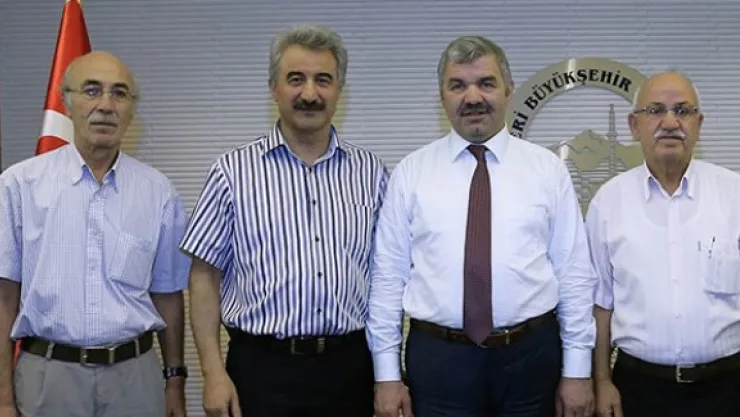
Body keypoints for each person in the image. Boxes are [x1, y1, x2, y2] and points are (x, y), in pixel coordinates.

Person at [368, 35, 596, 417]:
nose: (472, 97)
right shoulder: (411, 173)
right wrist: (386, 376)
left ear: (508, 89)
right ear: (442, 96)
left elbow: (573, 274)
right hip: (439, 362)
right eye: (458, 85)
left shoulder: (547, 170)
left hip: (531, 359)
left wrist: (577, 370)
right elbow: (388, 278)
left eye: (486, 83)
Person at [180, 24, 387, 417]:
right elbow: (203, 278)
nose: (309, 93)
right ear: (273, 88)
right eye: (295, 79)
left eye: (322, 80)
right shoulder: (232, 172)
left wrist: (387, 375)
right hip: (259, 372)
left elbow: (386, 279)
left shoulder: (371, 173)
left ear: (339, 90)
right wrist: (212, 373)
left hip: (350, 371)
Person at [0, 51, 190, 417]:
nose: (105, 105)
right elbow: (4, 299)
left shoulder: (158, 192)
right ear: (66, 102)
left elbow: (168, 296)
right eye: (91, 90)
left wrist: (174, 382)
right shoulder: (18, 185)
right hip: (47, 378)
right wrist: (3, 399)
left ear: (131, 109)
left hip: (135, 380)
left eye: (119, 93)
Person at [588, 71, 740, 417]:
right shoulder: (608, 202)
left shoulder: (734, 194)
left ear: (699, 124)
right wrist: (602, 380)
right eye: (655, 110)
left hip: (728, 388)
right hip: (638, 390)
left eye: (683, 111)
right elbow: (600, 305)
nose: (670, 122)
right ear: (633, 125)